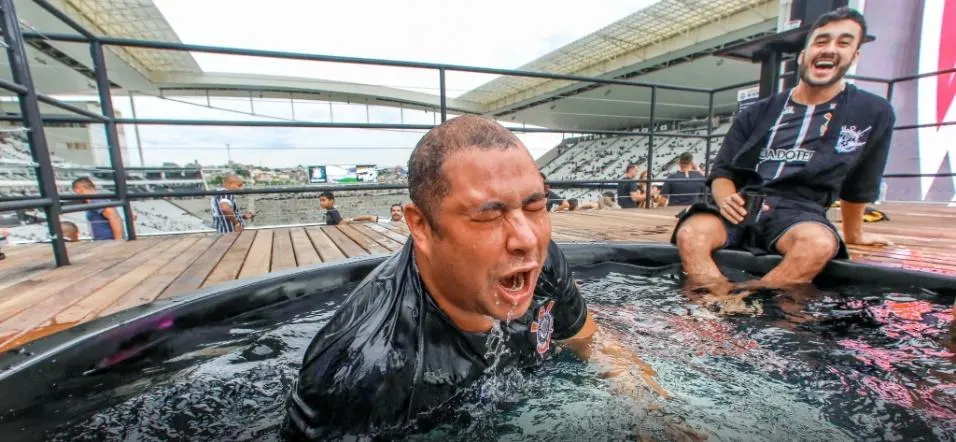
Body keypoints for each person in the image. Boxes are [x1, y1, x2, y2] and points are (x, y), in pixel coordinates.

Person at [284, 116, 667, 440]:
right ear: (420, 225)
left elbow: (589, 340)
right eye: (488, 215)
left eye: (536, 206)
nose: (527, 239)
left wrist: (652, 414)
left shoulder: (543, 260)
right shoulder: (367, 368)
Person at [672, 7, 895, 292]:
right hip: (744, 203)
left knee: (818, 244)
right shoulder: (758, 112)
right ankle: (714, 300)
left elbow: (860, 183)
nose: (829, 49)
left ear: (855, 56)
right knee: (691, 233)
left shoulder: (873, 112)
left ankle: (749, 300)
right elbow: (722, 172)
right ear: (804, 55)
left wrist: (854, 235)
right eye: (821, 41)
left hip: (800, 211)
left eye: (843, 42)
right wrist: (726, 198)